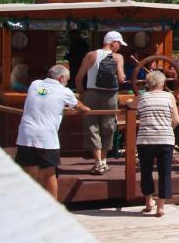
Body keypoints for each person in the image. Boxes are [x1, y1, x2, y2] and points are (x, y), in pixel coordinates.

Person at [16, 64, 91, 198]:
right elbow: (82, 108)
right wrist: (84, 109)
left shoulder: (35, 85)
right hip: (46, 137)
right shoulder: (65, 91)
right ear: (61, 78)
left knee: (30, 170)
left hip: (26, 134)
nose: (66, 83)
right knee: (49, 173)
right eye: (67, 80)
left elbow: (44, 99)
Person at [75, 30, 127, 175]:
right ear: (113, 43)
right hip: (110, 95)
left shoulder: (91, 55)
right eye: (119, 44)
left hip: (91, 93)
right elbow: (122, 78)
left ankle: (98, 162)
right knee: (108, 125)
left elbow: (79, 78)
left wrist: (82, 93)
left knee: (92, 125)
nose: (120, 47)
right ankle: (103, 161)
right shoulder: (118, 57)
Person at [134, 70, 179, 217]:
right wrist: (167, 129)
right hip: (165, 139)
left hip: (145, 140)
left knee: (146, 171)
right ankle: (160, 207)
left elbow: (131, 106)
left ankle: (148, 202)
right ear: (162, 83)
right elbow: (176, 119)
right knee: (164, 172)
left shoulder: (142, 97)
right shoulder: (169, 96)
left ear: (148, 84)